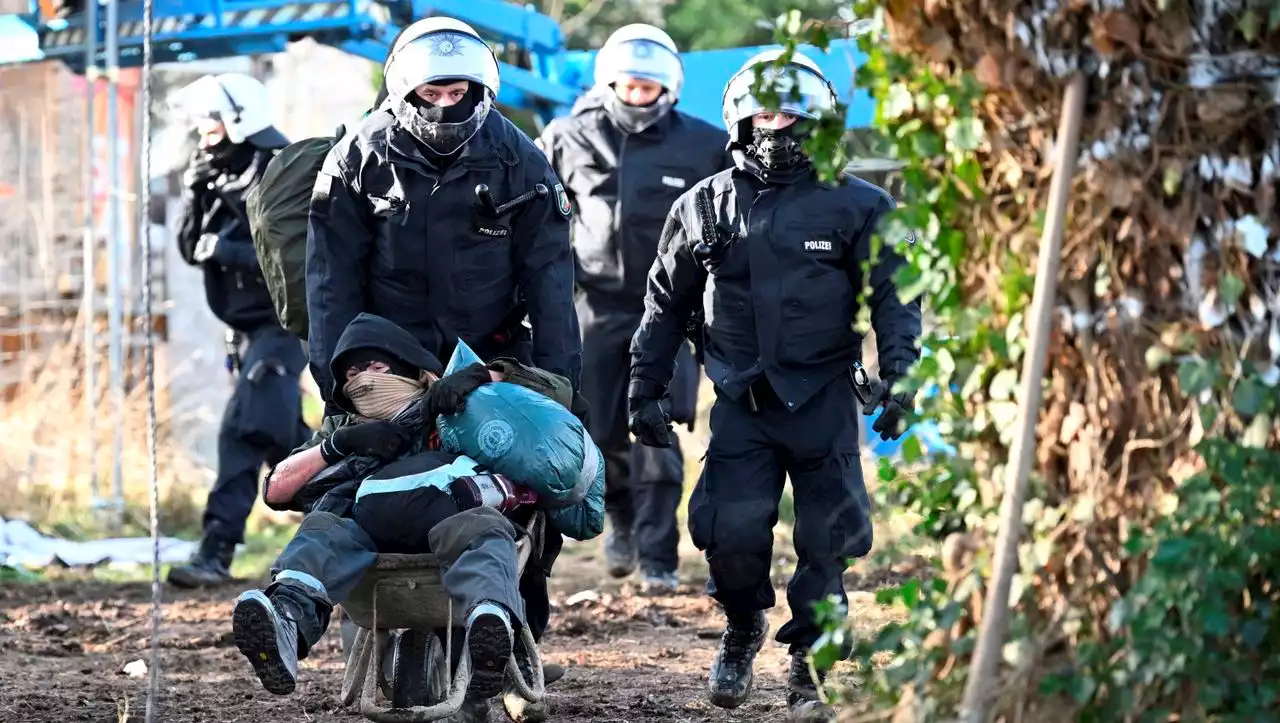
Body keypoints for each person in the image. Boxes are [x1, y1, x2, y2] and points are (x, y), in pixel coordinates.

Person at [628, 51, 922, 719]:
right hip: (739, 400)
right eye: (764, 112)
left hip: (822, 397)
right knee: (728, 532)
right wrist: (644, 389)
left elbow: (896, 299)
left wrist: (902, 377)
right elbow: (664, 305)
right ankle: (740, 628)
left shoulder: (860, 204)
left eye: (791, 113)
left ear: (818, 119)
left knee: (828, 542)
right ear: (739, 118)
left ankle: (809, 665)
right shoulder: (701, 205)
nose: (777, 125)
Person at [306, 19, 583, 667]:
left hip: (488, 361)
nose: (442, 103)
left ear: (480, 90)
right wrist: (337, 383)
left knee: (526, 503)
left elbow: (551, 284)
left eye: (455, 90)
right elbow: (328, 282)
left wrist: (560, 392)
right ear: (403, 90)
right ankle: (357, 615)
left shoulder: (523, 162)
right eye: (429, 93)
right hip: (384, 360)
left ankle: (511, 644)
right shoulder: (354, 159)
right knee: (361, 492)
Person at [235, 312, 596, 722]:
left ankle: (491, 627)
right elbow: (276, 490)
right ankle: (286, 622)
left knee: (484, 530)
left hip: (454, 523)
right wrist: (339, 444)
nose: (364, 379)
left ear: (410, 367)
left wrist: (483, 378)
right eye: (352, 373)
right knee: (322, 530)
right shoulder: (345, 425)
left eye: (377, 367)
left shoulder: (458, 405)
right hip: (371, 542)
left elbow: (562, 395)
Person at [536, 24, 731, 594]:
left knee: (659, 429)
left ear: (667, 87)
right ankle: (618, 517)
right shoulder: (566, 137)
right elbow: (536, 214)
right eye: (629, 85)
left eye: (649, 87)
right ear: (610, 82)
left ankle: (658, 558)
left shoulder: (703, 144)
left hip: (672, 312)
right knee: (600, 432)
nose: (638, 95)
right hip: (592, 307)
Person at [165, 73, 311, 589]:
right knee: (287, 440)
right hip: (246, 332)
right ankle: (350, 514)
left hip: (284, 326)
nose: (203, 129)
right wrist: (194, 190)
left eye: (212, 119)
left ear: (240, 118)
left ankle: (216, 550)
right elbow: (189, 247)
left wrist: (225, 251)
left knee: (243, 428)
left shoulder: (281, 169)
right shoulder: (213, 173)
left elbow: (298, 256)